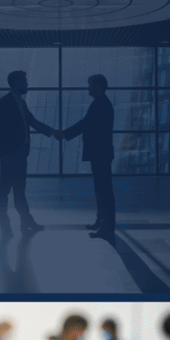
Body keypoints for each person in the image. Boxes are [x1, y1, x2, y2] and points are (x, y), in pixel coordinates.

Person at [0, 71, 58, 237]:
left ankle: (26, 223)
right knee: (4, 191)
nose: (27, 84)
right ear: (16, 83)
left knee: (19, 191)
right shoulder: (5, 103)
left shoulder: (21, 103)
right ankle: (5, 225)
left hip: (20, 155)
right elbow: (3, 132)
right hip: (10, 156)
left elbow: (33, 122)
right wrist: (7, 155)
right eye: (25, 81)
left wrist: (52, 132)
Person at [60, 75, 116, 240]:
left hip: (100, 153)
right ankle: (101, 221)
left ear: (97, 87)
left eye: (90, 85)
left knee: (103, 190)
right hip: (100, 153)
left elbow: (85, 124)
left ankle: (107, 227)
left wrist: (64, 134)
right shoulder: (101, 103)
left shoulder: (100, 104)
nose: (88, 88)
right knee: (101, 189)